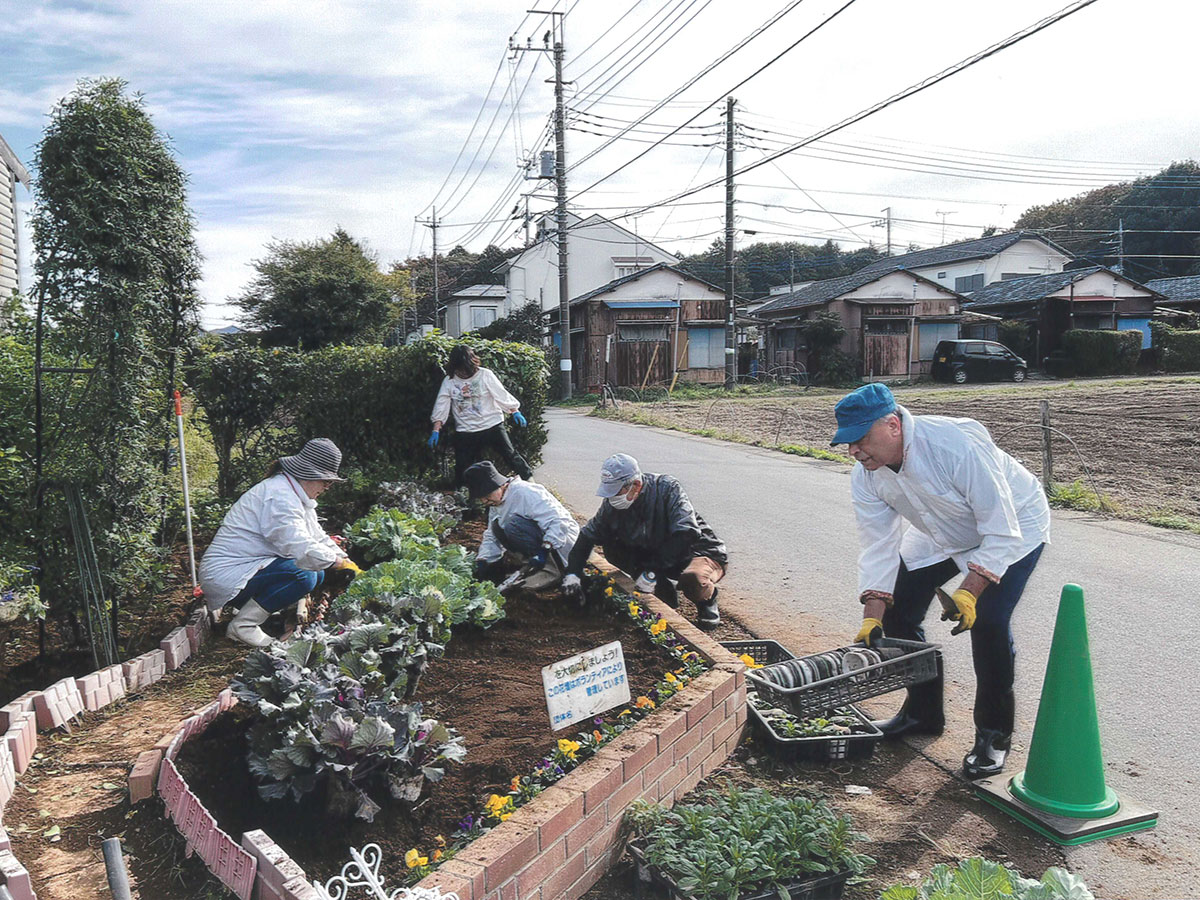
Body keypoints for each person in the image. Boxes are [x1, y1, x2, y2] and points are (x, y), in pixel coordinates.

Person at [831, 383, 1050, 779]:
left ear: (893, 425)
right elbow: (879, 546)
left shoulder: (953, 445)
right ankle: (922, 713)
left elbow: (1000, 528)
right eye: (847, 442)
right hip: (941, 531)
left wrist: (968, 593)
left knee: (988, 621)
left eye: (861, 439)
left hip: (1014, 525)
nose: (854, 451)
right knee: (896, 612)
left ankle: (993, 736)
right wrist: (872, 615)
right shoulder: (868, 475)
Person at [199, 438, 362, 647]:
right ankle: (243, 626)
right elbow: (296, 543)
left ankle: (260, 613)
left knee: (317, 571)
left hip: (244, 571)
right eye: (325, 480)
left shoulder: (294, 495)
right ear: (309, 474)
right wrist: (336, 562)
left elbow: (316, 536)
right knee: (304, 574)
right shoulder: (279, 496)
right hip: (227, 577)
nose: (328, 486)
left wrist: (346, 560)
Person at [562, 454, 727, 628]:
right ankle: (663, 590)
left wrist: (652, 571)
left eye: (617, 491)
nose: (612, 498)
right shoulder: (613, 504)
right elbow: (588, 535)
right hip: (657, 553)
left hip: (695, 551)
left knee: (693, 578)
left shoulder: (666, 488)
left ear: (636, 485)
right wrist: (573, 573)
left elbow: (686, 532)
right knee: (613, 548)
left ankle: (707, 600)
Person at [464, 461, 579, 591]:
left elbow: (559, 521)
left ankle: (553, 571)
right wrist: (484, 560)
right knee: (497, 526)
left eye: (487, 495)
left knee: (513, 525)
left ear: (500, 484)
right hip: (538, 539)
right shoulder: (497, 502)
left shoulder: (525, 492)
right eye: (481, 498)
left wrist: (545, 549)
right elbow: (491, 534)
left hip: (563, 543)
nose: (485, 501)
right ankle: (531, 565)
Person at [429, 345, 533, 486]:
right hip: (466, 430)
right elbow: (442, 405)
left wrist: (515, 411)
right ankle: (463, 494)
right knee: (462, 465)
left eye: (465, 369)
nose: (463, 373)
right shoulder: (450, 381)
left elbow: (500, 394)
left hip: (492, 425)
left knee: (510, 455)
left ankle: (531, 483)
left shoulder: (485, 375)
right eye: (460, 370)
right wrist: (436, 429)